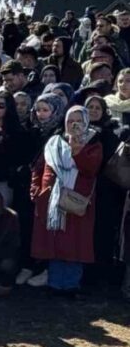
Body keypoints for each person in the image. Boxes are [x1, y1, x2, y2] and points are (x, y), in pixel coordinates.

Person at [30, 106, 102, 295]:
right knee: (54, 241)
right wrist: (36, 190)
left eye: (78, 120)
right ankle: (54, 283)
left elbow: (90, 169)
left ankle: (70, 285)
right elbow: (39, 166)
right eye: (70, 121)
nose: (74, 124)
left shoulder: (92, 142)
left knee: (74, 242)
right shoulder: (54, 141)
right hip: (51, 200)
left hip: (76, 201)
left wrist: (77, 149)